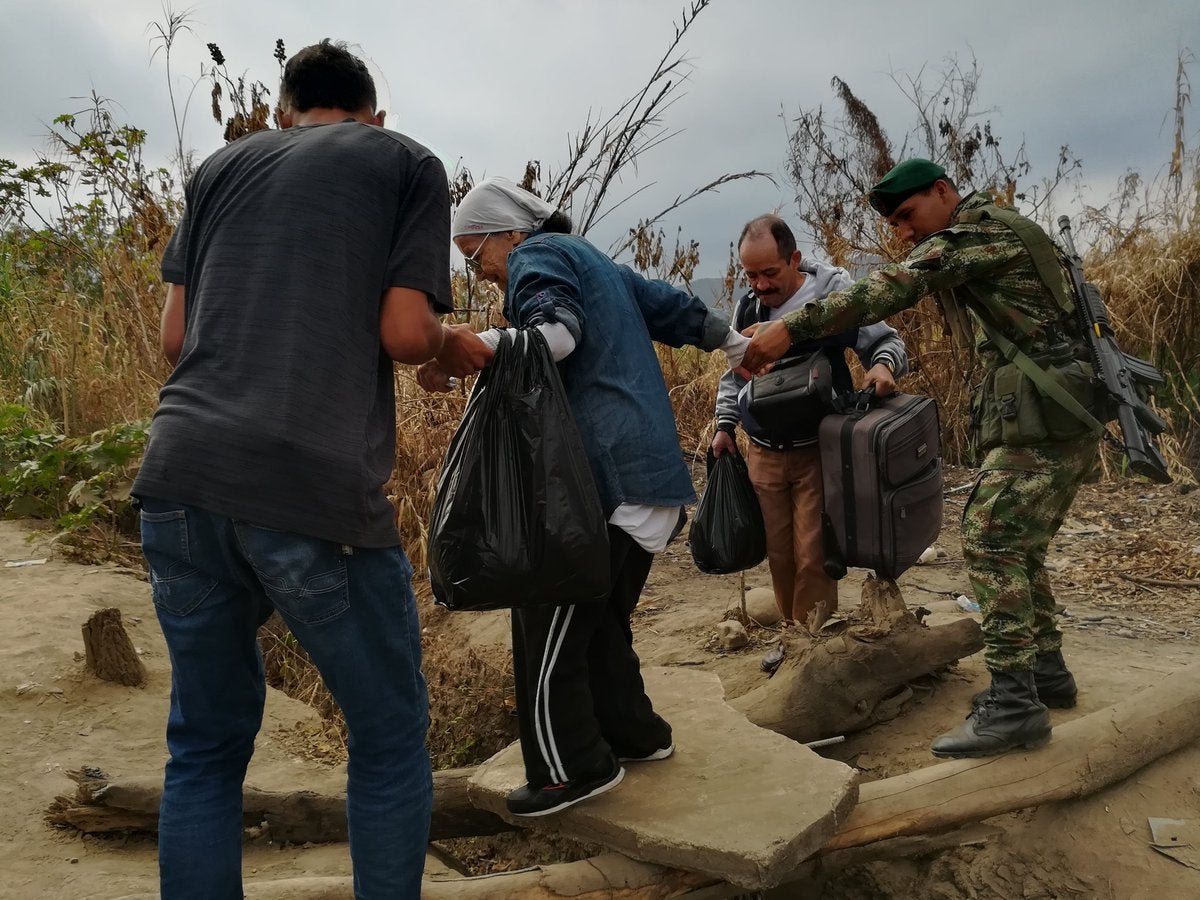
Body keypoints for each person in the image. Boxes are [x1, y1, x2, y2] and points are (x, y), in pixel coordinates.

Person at [133, 40, 450, 899]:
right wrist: (457, 346)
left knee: (202, 747)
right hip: (308, 486)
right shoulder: (404, 162)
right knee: (387, 739)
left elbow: (174, 341)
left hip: (178, 475)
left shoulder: (222, 166)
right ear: (375, 116)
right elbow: (405, 336)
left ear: (281, 114)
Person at [740, 159, 1102, 759]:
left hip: (1050, 418)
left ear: (943, 192)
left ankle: (1015, 705)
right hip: (1050, 414)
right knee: (1021, 546)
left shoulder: (981, 235)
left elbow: (894, 287)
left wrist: (790, 329)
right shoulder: (999, 231)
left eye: (908, 216)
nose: (904, 232)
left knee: (991, 542)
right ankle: (1046, 675)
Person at [419, 176, 747, 816]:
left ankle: (571, 769)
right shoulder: (596, 259)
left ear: (507, 233)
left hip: (606, 473)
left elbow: (558, 334)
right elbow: (676, 309)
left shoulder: (535, 255)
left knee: (545, 617)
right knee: (598, 622)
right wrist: (738, 345)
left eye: (475, 255)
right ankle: (633, 733)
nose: (481, 273)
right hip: (651, 476)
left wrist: (471, 348)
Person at [712, 215, 908, 669]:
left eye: (770, 274)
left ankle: (807, 638)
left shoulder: (833, 297)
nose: (761, 285)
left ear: (794, 260)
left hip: (820, 450)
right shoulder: (748, 310)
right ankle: (792, 632)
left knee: (813, 552)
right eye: (751, 276)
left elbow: (886, 340)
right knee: (779, 553)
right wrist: (725, 425)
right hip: (764, 451)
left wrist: (882, 368)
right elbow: (733, 376)